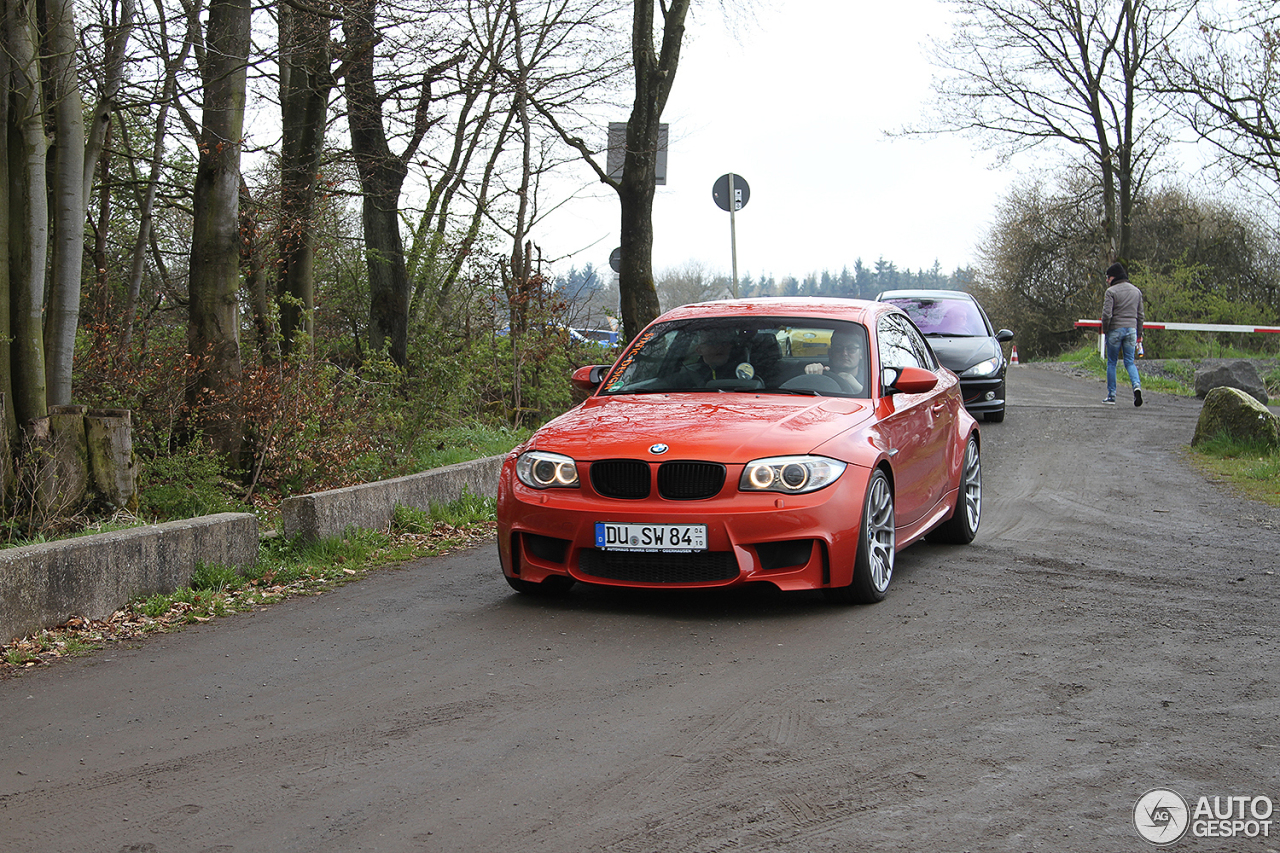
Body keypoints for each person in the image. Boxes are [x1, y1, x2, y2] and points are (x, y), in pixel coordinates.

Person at [1100, 262, 1144, 407]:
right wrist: (1139, 334)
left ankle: (1111, 396)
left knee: (1112, 362)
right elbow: (1140, 315)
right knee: (1129, 362)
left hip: (1115, 329)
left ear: (1114, 277)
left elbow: (1107, 314)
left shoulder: (1111, 292)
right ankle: (1136, 386)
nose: (1107, 280)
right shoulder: (1136, 291)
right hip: (1132, 330)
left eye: (1108, 277)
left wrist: (1106, 330)